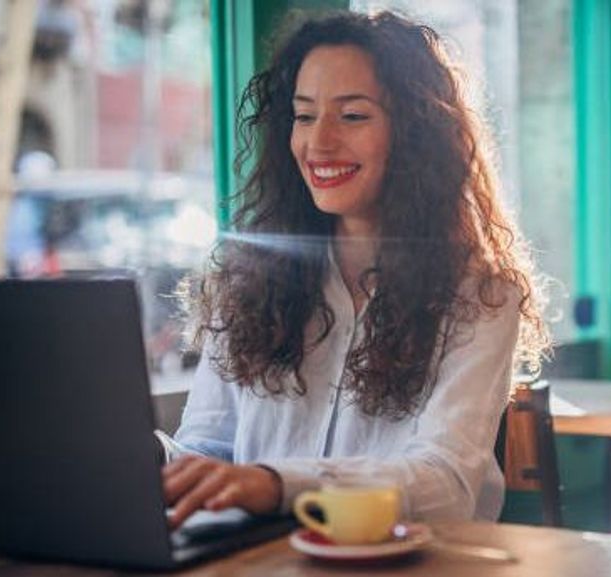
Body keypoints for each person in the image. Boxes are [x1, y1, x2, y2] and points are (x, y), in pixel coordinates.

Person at [158, 10, 550, 529]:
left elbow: (446, 485)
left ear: (414, 135)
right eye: (303, 116)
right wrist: (145, 460)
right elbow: (206, 451)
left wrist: (277, 484)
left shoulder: (480, 295)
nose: (318, 143)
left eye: (353, 116)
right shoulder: (246, 282)